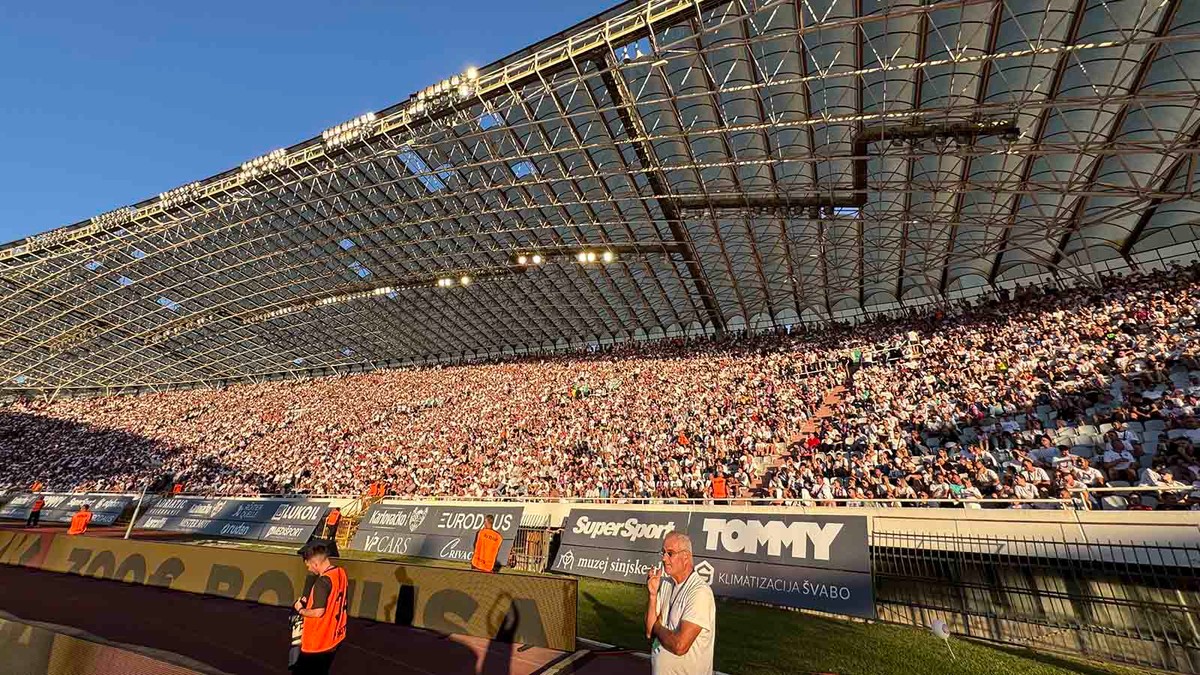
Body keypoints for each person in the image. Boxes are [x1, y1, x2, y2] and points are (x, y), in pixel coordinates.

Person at [645, 531, 715, 674]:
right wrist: (652, 596)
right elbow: (648, 632)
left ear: (686, 557)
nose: (664, 558)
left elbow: (679, 646)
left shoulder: (699, 592)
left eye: (670, 553)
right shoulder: (665, 584)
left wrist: (657, 627)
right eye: (663, 552)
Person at [292, 542, 348, 675]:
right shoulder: (340, 573)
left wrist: (300, 609)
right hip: (335, 637)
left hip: (318, 642)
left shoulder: (322, 583)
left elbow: (318, 612)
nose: (309, 569)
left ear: (315, 564)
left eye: (309, 566)